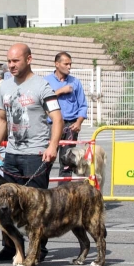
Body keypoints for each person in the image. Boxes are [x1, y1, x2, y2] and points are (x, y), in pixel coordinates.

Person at [0, 43, 63, 261]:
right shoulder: (4, 87)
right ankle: (11, 247)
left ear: (29, 59)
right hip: (12, 154)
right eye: (9, 61)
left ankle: (37, 249)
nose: (11, 65)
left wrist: (52, 146)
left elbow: (57, 119)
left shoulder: (42, 86)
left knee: (36, 207)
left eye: (16, 61)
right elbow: (2, 119)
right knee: (7, 204)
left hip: (36, 155)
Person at [44, 52, 88, 184]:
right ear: (57, 64)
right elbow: (42, 102)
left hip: (70, 126)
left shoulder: (76, 82)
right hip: (51, 126)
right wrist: (60, 91)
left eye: (70, 64)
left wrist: (79, 122)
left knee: (67, 162)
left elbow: (83, 105)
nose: (69, 67)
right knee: (46, 160)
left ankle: (63, 198)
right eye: (66, 64)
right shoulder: (46, 82)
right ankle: (41, 194)